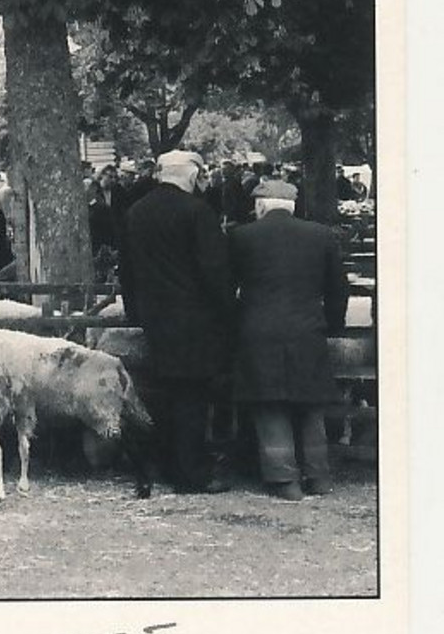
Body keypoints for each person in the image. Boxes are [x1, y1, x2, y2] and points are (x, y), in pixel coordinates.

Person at [227, 180, 349, 500]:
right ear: (292, 205)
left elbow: (226, 286)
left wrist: (235, 321)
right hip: (307, 329)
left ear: (261, 205)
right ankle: (318, 476)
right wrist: (332, 324)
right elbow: (338, 288)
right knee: (310, 404)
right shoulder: (321, 235)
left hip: (258, 330)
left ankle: (284, 479)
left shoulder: (241, 236)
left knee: (269, 404)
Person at [121, 150, 234, 493]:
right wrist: (227, 311)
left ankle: (163, 464)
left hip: (155, 317)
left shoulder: (135, 212)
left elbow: (126, 269)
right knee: (192, 397)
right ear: (190, 175)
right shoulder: (198, 212)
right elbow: (215, 270)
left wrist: (135, 311)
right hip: (194, 319)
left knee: (163, 394)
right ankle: (190, 473)